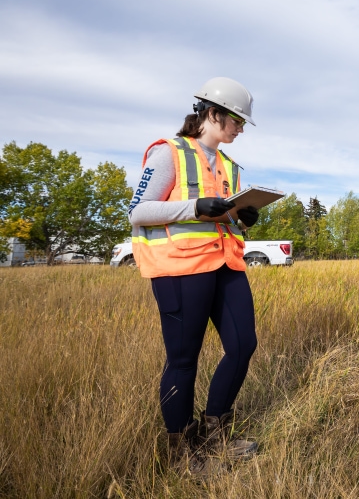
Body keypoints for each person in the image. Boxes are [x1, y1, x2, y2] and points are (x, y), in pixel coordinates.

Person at [128, 77, 260, 478]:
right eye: (236, 121)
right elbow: (138, 211)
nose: (239, 129)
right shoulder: (170, 153)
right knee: (184, 360)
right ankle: (182, 453)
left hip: (225, 264)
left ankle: (214, 429)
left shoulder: (231, 168)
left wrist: (243, 217)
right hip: (180, 269)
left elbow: (226, 219)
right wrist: (195, 206)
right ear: (213, 113)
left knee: (243, 345)